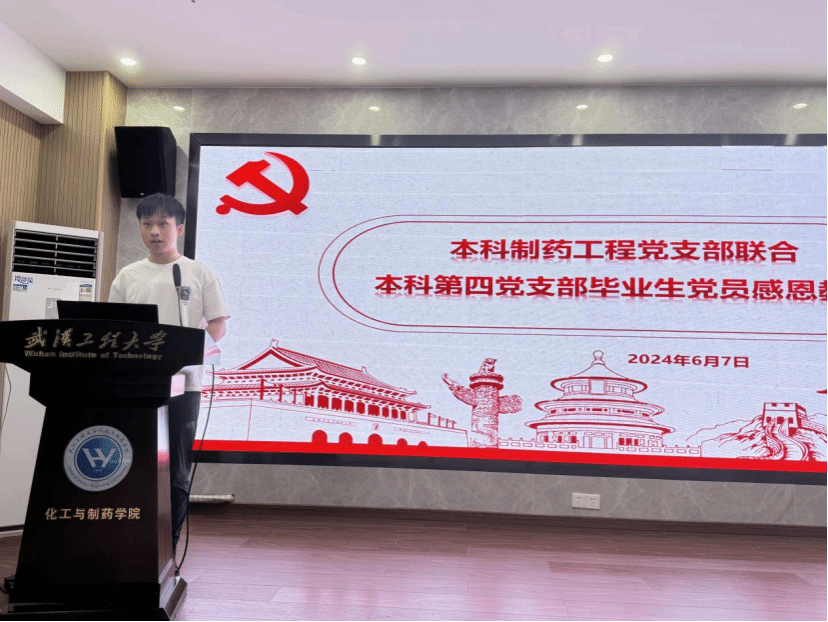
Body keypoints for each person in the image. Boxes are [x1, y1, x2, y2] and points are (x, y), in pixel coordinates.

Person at [109, 193, 229, 554]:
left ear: (178, 229)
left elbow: (218, 324)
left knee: (176, 470)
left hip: (184, 385)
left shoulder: (198, 273)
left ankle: (167, 548)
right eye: (147, 224)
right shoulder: (128, 275)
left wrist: (189, 352)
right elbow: (114, 328)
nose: (154, 232)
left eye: (163, 224)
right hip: (137, 385)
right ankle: (131, 543)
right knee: (134, 463)